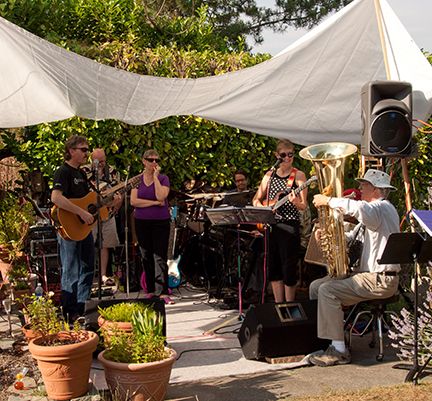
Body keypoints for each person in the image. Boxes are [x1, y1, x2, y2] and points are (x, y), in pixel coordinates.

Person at [309, 169, 400, 367]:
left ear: (375, 189)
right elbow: (352, 238)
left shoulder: (382, 208)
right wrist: (326, 235)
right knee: (316, 287)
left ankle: (339, 351)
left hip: (379, 278)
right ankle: (328, 340)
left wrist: (329, 200)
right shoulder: (374, 213)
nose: (360, 188)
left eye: (364, 185)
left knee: (327, 290)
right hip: (369, 276)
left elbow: (359, 209)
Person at [252, 139, 308, 302]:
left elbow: (303, 205)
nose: (288, 158)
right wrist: (265, 208)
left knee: (289, 266)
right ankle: (278, 304)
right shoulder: (269, 175)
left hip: (289, 225)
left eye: (291, 154)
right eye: (284, 155)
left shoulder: (298, 175)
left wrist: (295, 201)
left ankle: (289, 305)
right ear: (277, 156)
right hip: (272, 225)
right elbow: (256, 199)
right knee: (274, 266)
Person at [51, 135, 94, 321]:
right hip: (68, 228)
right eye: (83, 150)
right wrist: (80, 212)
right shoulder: (63, 171)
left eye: (87, 150)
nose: (86, 153)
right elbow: (56, 198)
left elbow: (88, 201)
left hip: (83, 228)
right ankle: (70, 312)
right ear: (71, 151)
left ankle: (82, 307)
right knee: (71, 269)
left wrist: (110, 201)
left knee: (88, 267)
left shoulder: (81, 174)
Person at [131, 149, 174, 304]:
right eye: (151, 160)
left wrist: (155, 178)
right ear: (144, 161)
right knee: (146, 255)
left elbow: (161, 196)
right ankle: (150, 289)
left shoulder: (163, 178)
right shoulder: (137, 180)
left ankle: (162, 291)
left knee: (160, 255)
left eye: (157, 160)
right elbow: (134, 201)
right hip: (142, 221)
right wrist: (154, 203)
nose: (154, 163)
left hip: (160, 221)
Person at [83, 148, 122, 286]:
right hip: (90, 215)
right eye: (98, 161)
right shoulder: (84, 171)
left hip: (107, 214)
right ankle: (87, 276)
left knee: (105, 244)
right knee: (88, 245)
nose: (101, 164)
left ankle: (103, 275)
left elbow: (119, 191)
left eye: (103, 161)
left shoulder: (112, 171)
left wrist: (117, 203)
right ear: (91, 160)